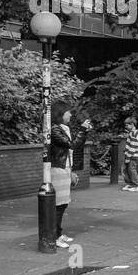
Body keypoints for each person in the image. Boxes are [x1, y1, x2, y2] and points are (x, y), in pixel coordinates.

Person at [49, 104, 91, 249]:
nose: (70, 115)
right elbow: (72, 145)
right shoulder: (55, 130)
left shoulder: (63, 129)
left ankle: (58, 233)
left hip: (65, 169)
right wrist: (83, 130)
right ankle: (53, 236)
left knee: (63, 203)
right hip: (58, 170)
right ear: (61, 114)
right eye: (68, 113)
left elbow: (74, 147)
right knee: (58, 205)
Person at [121, 117, 138, 192]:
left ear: (132, 124)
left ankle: (137, 185)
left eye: (127, 125)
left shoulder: (134, 133)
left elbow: (133, 146)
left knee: (131, 170)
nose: (126, 127)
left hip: (132, 156)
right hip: (129, 155)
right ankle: (130, 183)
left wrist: (128, 157)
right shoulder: (131, 133)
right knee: (126, 170)